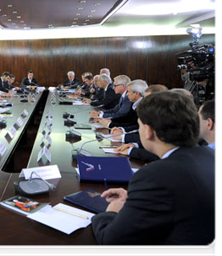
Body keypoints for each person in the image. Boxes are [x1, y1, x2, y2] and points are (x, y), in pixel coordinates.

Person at [92, 91, 218, 256]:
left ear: (148, 131)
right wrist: (137, 198)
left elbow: (112, 244)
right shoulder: (212, 156)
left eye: (138, 125)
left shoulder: (156, 176)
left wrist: (112, 211)